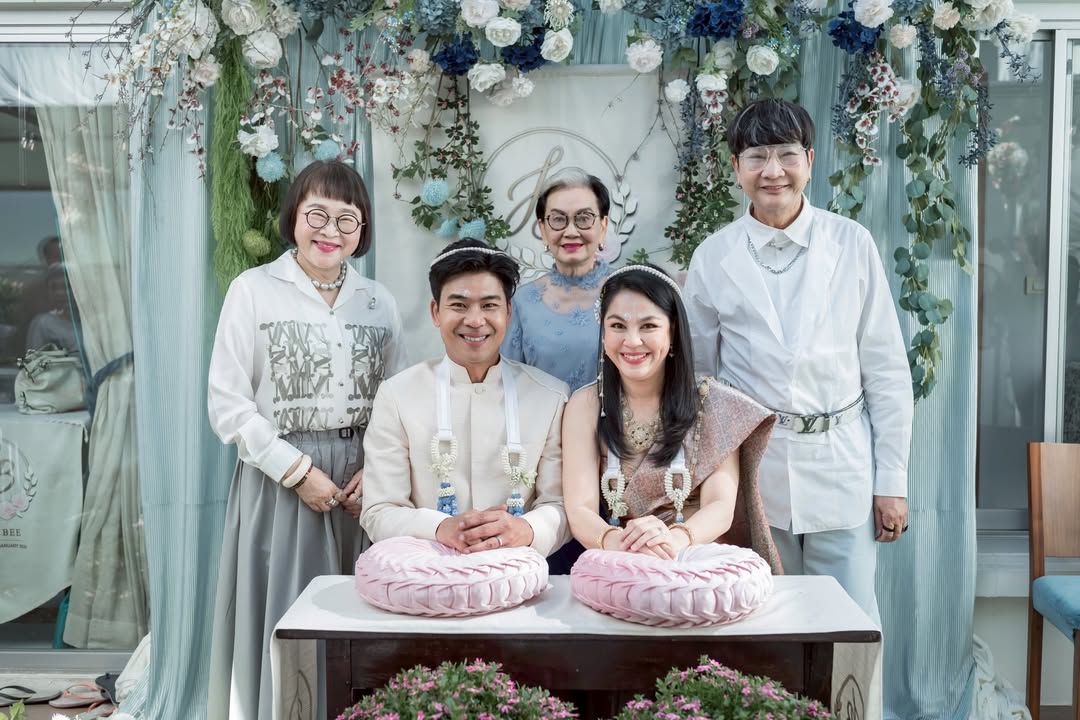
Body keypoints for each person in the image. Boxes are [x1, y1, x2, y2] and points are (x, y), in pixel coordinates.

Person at [683, 98, 914, 623]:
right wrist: (705, 487)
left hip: (842, 464)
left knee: (851, 624)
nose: (773, 171)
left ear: (809, 161)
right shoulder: (713, 256)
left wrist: (892, 481)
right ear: (736, 166)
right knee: (765, 623)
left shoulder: (851, 243)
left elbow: (885, 369)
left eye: (786, 154)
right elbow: (700, 381)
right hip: (756, 472)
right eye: (756, 156)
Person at [206, 160, 408, 720]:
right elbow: (227, 403)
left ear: (362, 230)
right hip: (280, 479)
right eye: (317, 214)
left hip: (363, 485)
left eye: (347, 219)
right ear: (293, 216)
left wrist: (378, 470)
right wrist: (297, 472)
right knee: (288, 617)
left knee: (361, 615)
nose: (330, 231)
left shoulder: (378, 301)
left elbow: (398, 400)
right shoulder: (253, 291)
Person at [561, 263, 780, 568]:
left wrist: (672, 540)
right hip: (622, 561)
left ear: (673, 330)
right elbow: (580, 508)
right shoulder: (585, 404)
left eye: (648, 326)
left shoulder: (712, 404)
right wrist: (620, 545)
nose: (632, 341)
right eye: (618, 326)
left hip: (698, 561)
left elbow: (720, 506)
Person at [361, 239, 570, 558]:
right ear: (436, 312)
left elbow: (560, 505)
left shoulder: (550, 397)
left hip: (519, 573)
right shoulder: (397, 395)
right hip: (427, 574)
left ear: (508, 312)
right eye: (459, 305)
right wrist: (439, 528)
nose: (475, 320)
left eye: (489, 305)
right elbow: (379, 510)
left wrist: (525, 530)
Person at [502, 168, 611, 393]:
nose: (571, 231)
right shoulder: (522, 302)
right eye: (558, 219)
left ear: (603, 227)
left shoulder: (627, 293)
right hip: (539, 416)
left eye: (584, 218)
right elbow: (508, 385)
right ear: (543, 229)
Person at [25, 262, 77, 352]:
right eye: (53, 287)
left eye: (67, 286)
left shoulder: (94, 321)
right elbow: (35, 358)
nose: (59, 293)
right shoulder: (43, 323)